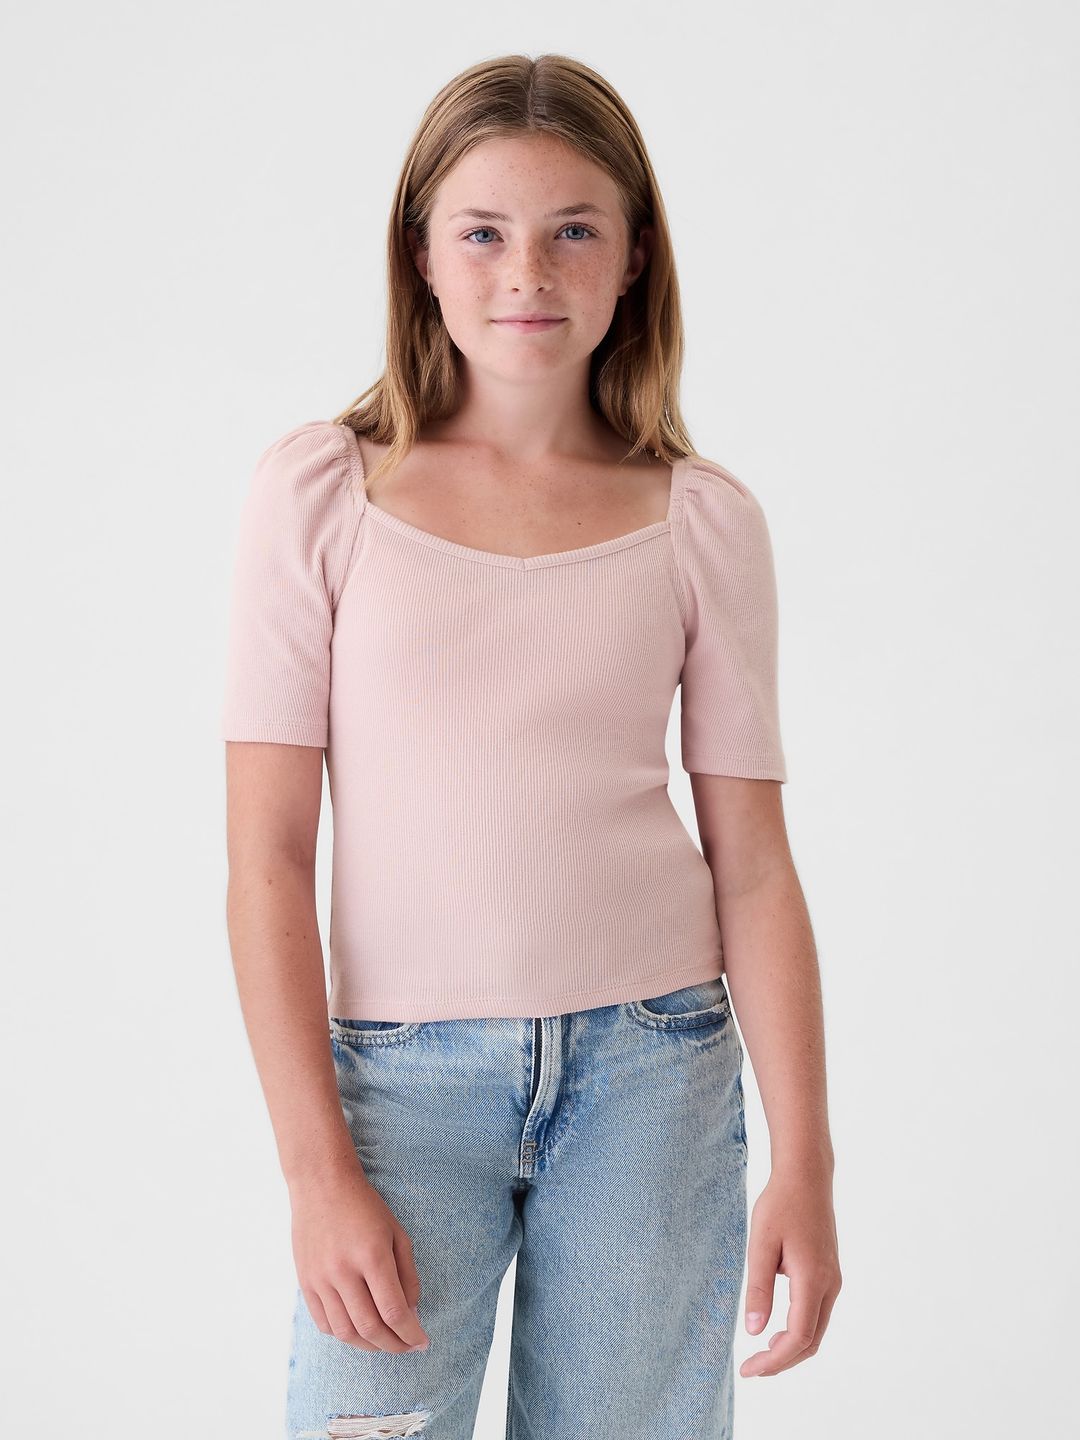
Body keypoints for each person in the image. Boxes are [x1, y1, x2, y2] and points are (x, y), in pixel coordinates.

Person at [221, 51, 840, 1440]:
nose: (529, 273)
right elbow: (265, 858)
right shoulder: (324, 494)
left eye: (574, 231)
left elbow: (753, 865)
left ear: (634, 258)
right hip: (400, 1088)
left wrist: (806, 1160)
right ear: (421, 255)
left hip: (653, 1071)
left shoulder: (700, 520)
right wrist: (316, 1171)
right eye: (484, 232)